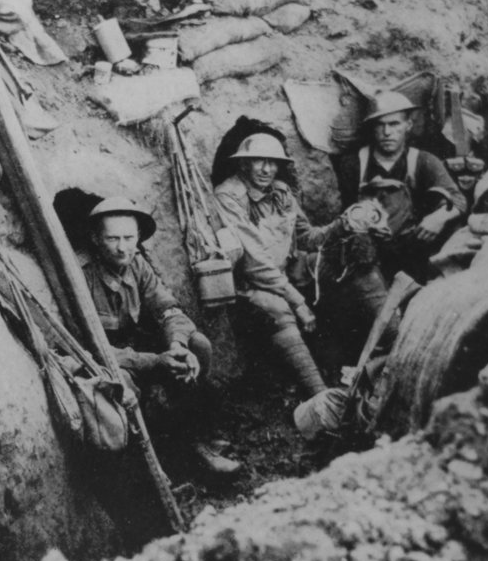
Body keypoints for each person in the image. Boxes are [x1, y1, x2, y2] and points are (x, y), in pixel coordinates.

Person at [81, 196, 241, 474]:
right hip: (111, 360)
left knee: (197, 345)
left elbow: (169, 309)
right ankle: (143, 469)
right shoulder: (83, 276)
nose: (122, 248)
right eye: (112, 239)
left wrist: (177, 345)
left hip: (142, 348)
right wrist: (155, 361)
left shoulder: (138, 265)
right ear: (95, 239)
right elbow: (92, 348)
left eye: (129, 238)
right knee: (124, 385)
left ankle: (193, 440)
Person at [213, 133, 348, 399]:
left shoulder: (282, 192)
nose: (266, 169)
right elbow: (254, 265)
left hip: (284, 275)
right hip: (248, 286)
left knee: (342, 268)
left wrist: (341, 225)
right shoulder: (229, 196)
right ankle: (319, 396)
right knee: (279, 307)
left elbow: (308, 237)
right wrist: (298, 302)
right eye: (258, 161)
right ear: (243, 164)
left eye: (272, 162)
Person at [334, 91, 467, 286]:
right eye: (380, 125)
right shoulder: (354, 163)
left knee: (453, 228)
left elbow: (459, 200)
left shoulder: (423, 161)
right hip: (369, 251)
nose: (387, 132)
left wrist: (438, 218)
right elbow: (338, 214)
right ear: (372, 128)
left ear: (408, 126)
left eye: (394, 124)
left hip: (412, 250)